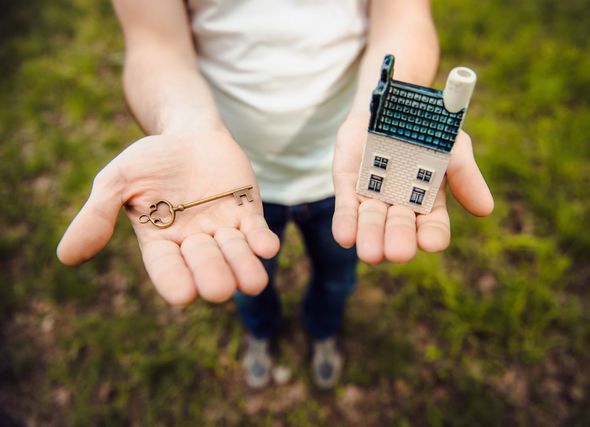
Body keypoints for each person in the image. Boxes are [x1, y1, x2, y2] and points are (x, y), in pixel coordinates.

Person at [56, 0, 494, 389]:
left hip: (344, 184)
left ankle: (323, 331)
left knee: (338, 278)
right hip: (231, 189)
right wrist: (185, 127)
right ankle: (261, 334)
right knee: (249, 282)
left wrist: (382, 114)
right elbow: (154, 43)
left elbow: (405, 15)